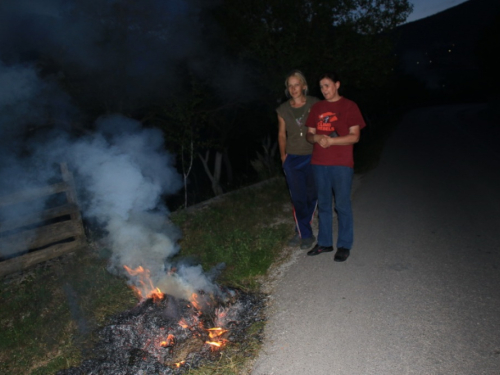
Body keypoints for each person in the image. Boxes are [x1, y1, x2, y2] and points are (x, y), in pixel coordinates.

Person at [305, 72, 366, 262]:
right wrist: (316, 138)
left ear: (337, 85)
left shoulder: (349, 106)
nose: (324, 90)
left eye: (327, 85)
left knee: (342, 205)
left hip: (341, 164)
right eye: (321, 87)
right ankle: (325, 243)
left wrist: (331, 142)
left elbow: (355, 136)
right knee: (323, 204)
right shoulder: (317, 108)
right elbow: (309, 134)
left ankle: (344, 245)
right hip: (319, 163)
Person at [277, 70, 320, 250]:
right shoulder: (283, 109)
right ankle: (306, 234)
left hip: (314, 155)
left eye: (296, 84)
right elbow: (281, 134)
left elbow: (325, 124)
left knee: (312, 195)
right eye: (290, 85)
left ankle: (300, 228)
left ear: (303, 85)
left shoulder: (315, 103)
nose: (293, 89)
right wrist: (283, 157)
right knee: (298, 198)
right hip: (293, 158)